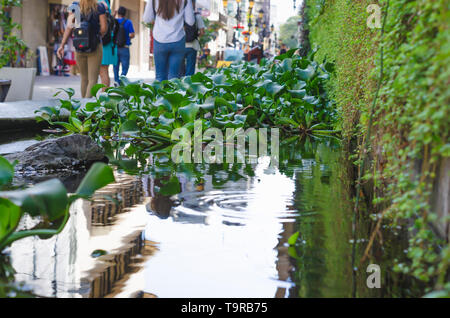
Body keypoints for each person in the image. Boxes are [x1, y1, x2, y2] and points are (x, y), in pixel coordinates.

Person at [57, 0, 107, 98]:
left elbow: (69, 27)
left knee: (84, 78)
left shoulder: (75, 6)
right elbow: (104, 28)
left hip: (79, 47)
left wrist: (62, 45)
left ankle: (82, 106)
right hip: (94, 47)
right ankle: (86, 107)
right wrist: (95, 35)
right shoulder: (99, 7)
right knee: (93, 79)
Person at [143, 0, 195, 82]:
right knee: (174, 77)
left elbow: (147, 19)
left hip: (159, 40)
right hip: (178, 40)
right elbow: (191, 21)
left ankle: (160, 94)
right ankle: (172, 94)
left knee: (160, 76)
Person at [180, 0, 205, 77]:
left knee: (180, 69)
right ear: (193, 4)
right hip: (192, 45)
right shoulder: (197, 16)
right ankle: (188, 86)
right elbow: (202, 32)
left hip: (180, 45)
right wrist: (195, 35)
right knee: (190, 69)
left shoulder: (179, 15)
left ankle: (179, 86)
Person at [98, 0, 117, 88]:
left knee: (103, 71)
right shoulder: (105, 2)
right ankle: (105, 96)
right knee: (104, 71)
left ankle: (104, 97)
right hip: (108, 41)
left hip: (104, 41)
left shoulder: (101, 2)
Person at [114, 6, 135, 85]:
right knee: (125, 67)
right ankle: (121, 79)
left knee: (115, 66)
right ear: (125, 13)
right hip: (125, 47)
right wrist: (127, 37)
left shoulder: (114, 21)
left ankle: (116, 80)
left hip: (115, 48)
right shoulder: (128, 22)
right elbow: (132, 34)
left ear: (118, 13)